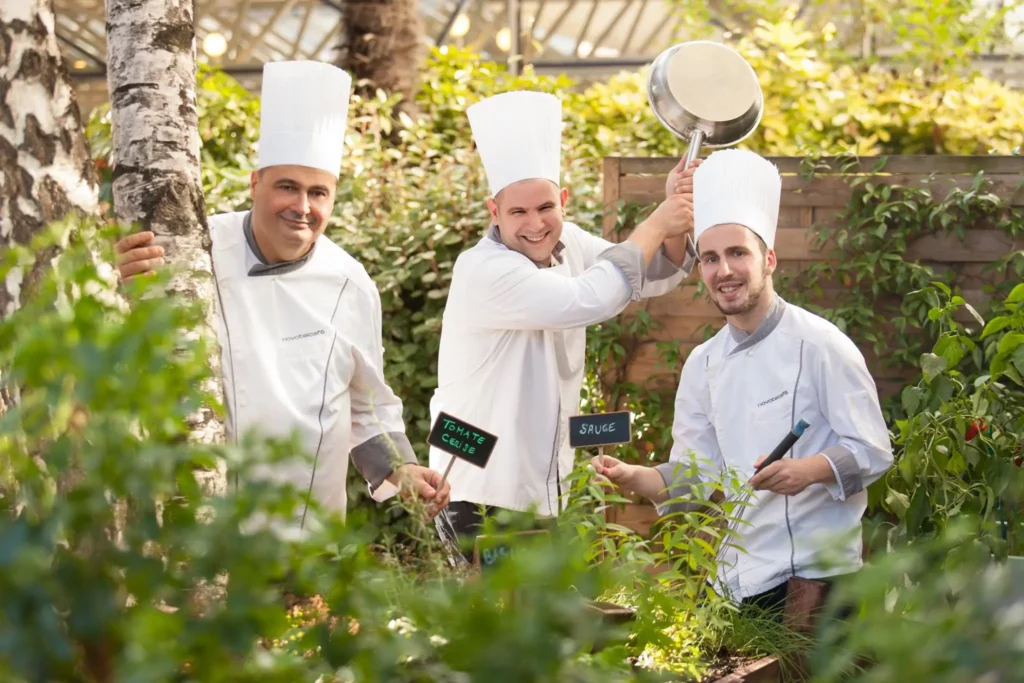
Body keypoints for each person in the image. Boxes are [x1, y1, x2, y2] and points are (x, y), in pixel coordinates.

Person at [114, 60, 450, 534]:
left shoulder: (350, 284)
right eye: (287, 187)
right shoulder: (194, 249)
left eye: (319, 193)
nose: (303, 207)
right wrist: (116, 283)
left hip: (304, 539)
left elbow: (366, 407)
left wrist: (403, 470)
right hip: (194, 533)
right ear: (255, 183)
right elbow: (121, 347)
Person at [591, 148, 893, 615]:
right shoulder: (703, 364)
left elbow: (873, 450)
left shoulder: (820, 345)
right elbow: (696, 476)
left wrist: (806, 470)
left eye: (737, 253)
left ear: (768, 258)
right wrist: (635, 478)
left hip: (816, 583)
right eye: (710, 258)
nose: (724, 270)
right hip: (735, 584)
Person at [429, 89, 700, 560]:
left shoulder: (569, 243)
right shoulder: (481, 269)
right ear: (494, 212)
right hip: (478, 483)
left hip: (536, 484)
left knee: (532, 623)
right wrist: (656, 222)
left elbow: (648, 273)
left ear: (564, 201)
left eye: (545, 207)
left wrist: (675, 218)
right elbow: (589, 297)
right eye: (518, 211)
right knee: (502, 621)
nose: (535, 224)